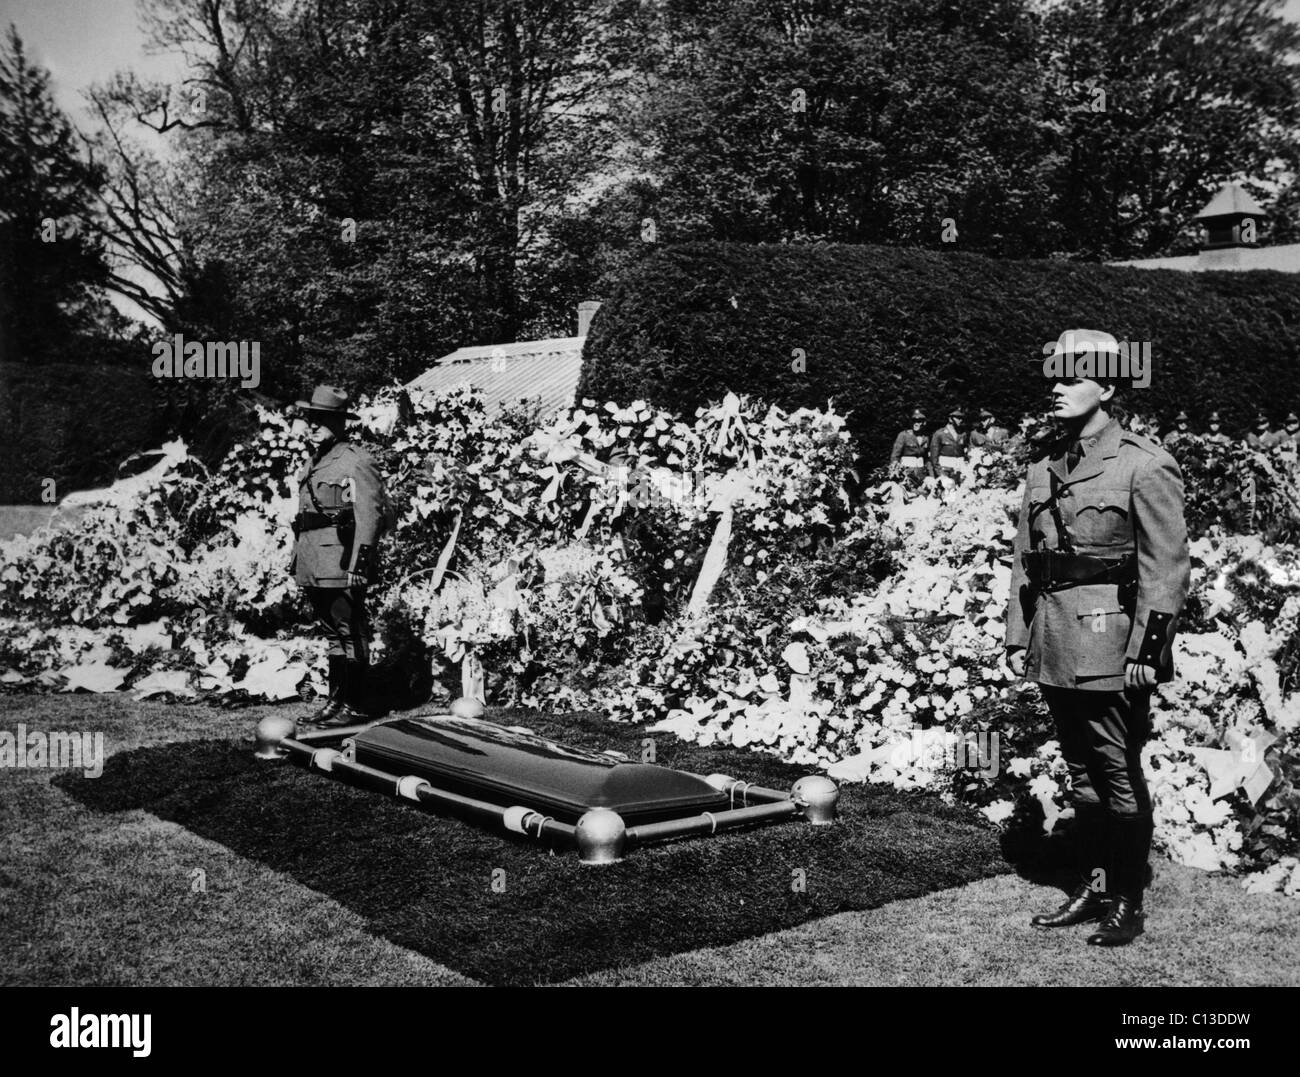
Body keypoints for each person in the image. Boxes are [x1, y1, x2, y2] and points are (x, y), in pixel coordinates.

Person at [1006, 328, 1190, 947]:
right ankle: (1096, 882)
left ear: (1107, 387)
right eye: (1051, 377)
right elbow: (1025, 560)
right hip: (1056, 636)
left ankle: (1126, 901)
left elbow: (1165, 566)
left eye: (1072, 378)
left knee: (1113, 767)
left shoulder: (1142, 462)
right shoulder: (1045, 463)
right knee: (1080, 768)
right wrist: (1017, 632)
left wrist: (1148, 648)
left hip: (1111, 640)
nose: (1056, 389)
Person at [290, 385, 388, 727]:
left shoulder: (355, 460)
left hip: (341, 561)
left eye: (323, 420)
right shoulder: (314, 461)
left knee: (351, 632)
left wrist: (359, 564)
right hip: (316, 561)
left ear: (341, 423)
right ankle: (336, 703)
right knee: (333, 633)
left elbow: (370, 515)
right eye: (311, 419)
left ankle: (355, 706)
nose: (313, 425)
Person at [889, 408, 933, 480]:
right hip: (906, 473)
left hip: (921, 473)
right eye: (914, 421)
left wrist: (931, 476)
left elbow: (927, 459)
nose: (916, 424)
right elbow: (895, 456)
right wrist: (894, 473)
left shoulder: (926, 438)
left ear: (924, 423)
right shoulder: (904, 435)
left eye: (919, 421)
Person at [928, 405, 967, 476]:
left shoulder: (963, 434)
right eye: (958, 418)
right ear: (950, 419)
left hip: (960, 470)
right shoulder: (939, 434)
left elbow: (965, 453)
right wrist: (940, 474)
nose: (960, 420)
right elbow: (934, 457)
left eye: (961, 418)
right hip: (945, 470)